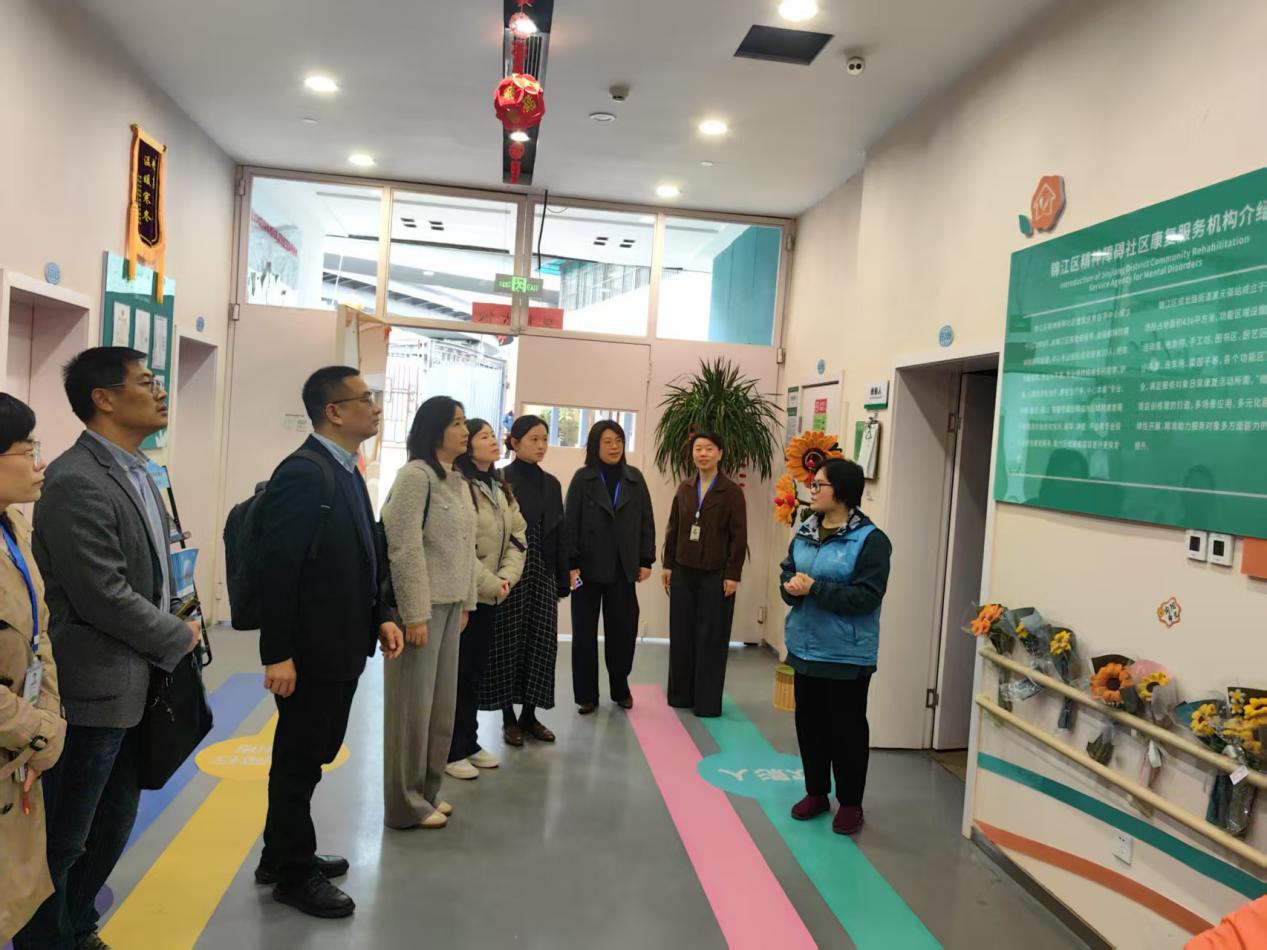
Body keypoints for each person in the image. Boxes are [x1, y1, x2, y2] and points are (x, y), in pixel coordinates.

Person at [16, 349, 201, 950]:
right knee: (68, 833)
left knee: (114, 821)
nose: (160, 391)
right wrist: (177, 636)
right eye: (146, 382)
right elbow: (103, 594)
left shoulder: (141, 470)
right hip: (93, 686)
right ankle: (47, 940)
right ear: (104, 399)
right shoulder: (77, 479)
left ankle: (77, 928)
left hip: (138, 680)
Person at [256, 366, 404, 919]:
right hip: (310, 651)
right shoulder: (305, 473)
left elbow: (364, 555)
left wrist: (380, 614)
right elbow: (278, 571)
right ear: (334, 411)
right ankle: (294, 875)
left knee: (310, 757)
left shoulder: (345, 469)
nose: (375, 406)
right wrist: (278, 653)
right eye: (365, 398)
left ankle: (279, 854)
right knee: (298, 762)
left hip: (340, 643)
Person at [780, 458, 891, 837]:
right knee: (809, 725)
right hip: (805, 648)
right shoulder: (806, 529)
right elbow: (788, 569)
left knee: (847, 730)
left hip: (847, 654)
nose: (812, 490)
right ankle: (816, 793)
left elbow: (866, 597)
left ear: (841, 491)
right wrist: (789, 587)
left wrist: (815, 589)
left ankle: (850, 803)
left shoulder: (871, 540)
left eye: (819, 485)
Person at [381, 397, 478, 829]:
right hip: (422, 609)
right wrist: (415, 613)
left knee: (439, 709)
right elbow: (403, 547)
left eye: (464, 422)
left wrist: (467, 602)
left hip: (452, 606)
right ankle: (405, 804)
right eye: (456, 423)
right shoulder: (414, 477)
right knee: (411, 712)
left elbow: (466, 548)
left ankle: (427, 791)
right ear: (433, 429)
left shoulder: (456, 480)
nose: (464, 431)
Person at [0, 395, 66, 946]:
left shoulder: (15, 528)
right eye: (28, 450)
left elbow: (41, 638)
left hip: (18, 744)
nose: (39, 463)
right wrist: (36, 729)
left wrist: (49, 719)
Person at [479, 415, 569, 746]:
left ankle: (530, 715)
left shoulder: (552, 483)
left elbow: (559, 532)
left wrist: (562, 578)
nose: (541, 445)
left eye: (544, 439)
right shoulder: (500, 478)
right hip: (509, 570)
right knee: (506, 642)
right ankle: (508, 718)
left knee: (541, 643)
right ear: (514, 443)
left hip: (543, 571)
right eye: (534, 439)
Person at [446, 418, 527, 780]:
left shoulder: (499, 486)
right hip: (465, 596)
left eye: (494, 435)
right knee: (457, 675)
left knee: (474, 675)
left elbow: (519, 535)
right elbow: (458, 546)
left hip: (493, 595)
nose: (494, 440)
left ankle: (469, 741)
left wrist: (505, 578)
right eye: (484, 436)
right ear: (467, 446)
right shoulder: (457, 484)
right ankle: (450, 750)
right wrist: (490, 583)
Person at [565, 421, 655, 713]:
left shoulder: (634, 478)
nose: (614, 447)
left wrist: (646, 559)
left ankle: (620, 687)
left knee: (623, 632)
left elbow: (646, 521)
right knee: (584, 635)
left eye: (619, 440)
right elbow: (570, 522)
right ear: (595, 445)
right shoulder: (583, 478)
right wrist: (571, 564)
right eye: (607, 441)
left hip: (622, 568)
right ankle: (586, 695)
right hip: (586, 570)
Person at [662, 431, 747, 718]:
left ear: (720, 454)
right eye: (698, 449)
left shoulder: (731, 492)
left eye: (709, 449)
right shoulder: (685, 488)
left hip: (716, 573)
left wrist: (733, 574)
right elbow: (673, 528)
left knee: (712, 637)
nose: (703, 454)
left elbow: (739, 535)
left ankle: (707, 703)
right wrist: (668, 564)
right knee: (681, 633)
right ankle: (680, 695)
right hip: (683, 570)